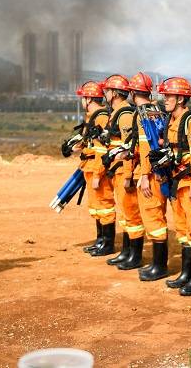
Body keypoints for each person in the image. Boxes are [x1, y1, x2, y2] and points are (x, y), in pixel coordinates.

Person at [157, 77, 191, 296]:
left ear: (180, 98)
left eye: (169, 96)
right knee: (183, 230)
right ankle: (186, 274)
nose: (165, 99)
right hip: (177, 184)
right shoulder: (170, 120)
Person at [128, 72, 170, 281]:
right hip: (160, 171)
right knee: (158, 214)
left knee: (153, 217)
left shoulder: (142, 114)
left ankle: (159, 266)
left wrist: (144, 175)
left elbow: (146, 147)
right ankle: (158, 264)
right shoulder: (156, 110)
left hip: (152, 173)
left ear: (134, 93)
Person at [102, 75, 143, 269]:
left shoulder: (125, 113)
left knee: (132, 214)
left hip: (124, 172)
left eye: (107, 91)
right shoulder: (116, 112)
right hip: (116, 172)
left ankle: (134, 256)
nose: (105, 94)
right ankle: (126, 252)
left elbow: (129, 149)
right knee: (126, 213)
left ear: (115, 93)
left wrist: (128, 176)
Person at [73, 81, 113, 257]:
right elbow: (89, 141)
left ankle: (107, 244)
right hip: (88, 166)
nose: (82, 101)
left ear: (89, 99)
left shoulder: (101, 117)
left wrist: (98, 174)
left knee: (105, 206)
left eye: (83, 98)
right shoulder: (91, 116)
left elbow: (102, 149)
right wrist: (75, 146)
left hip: (99, 168)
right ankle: (100, 240)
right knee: (96, 207)